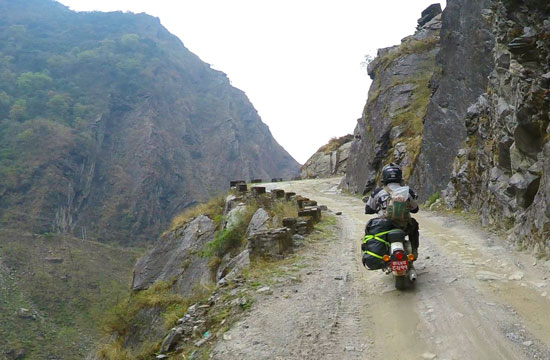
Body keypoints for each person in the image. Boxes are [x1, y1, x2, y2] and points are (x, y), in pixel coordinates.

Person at [363, 163, 420, 257]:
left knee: (370, 229)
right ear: (399, 176)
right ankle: (414, 251)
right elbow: (415, 209)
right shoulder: (408, 191)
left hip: (383, 226)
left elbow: (368, 209)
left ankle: (376, 253)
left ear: (384, 177)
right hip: (404, 226)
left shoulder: (378, 192)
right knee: (414, 225)